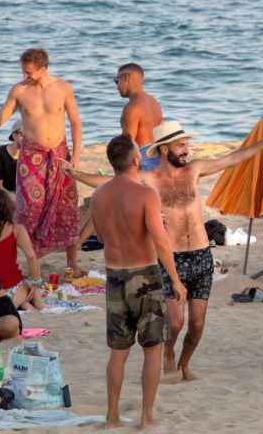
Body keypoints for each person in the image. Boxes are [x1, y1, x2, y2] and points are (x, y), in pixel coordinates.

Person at [66, 119, 263, 381]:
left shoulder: (194, 170)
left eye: (187, 144)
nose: (186, 149)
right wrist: (74, 173)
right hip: (172, 258)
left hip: (202, 254)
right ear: (165, 149)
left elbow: (233, 158)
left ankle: (184, 363)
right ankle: (168, 350)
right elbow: (106, 181)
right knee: (176, 322)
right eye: (181, 145)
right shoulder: (149, 179)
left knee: (198, 324)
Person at [0, 48, 84, 276]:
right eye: (23, 71)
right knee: (28, 210)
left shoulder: (63, 88)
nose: (25, 76)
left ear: (44, 68)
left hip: (60, 153)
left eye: (30, 72)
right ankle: (31, 263)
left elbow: (75, 122)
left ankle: (72, 264)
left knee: (67, 207)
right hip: (31, 157)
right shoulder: (20, 90)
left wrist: (77, 156)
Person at [91, 135, 185, 428]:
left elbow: (103, 237)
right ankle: (146, 416)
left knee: (118, 352)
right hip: (144, 275)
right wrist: (176, 280)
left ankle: (112, 416)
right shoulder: (146, 194)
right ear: (134, 160)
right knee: (152, 349)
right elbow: (160, 242)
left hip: (114, 276)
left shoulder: (98, 196)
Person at [0, 190, 45, 311]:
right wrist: (36, 282)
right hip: (11, 286)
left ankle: (23, 305)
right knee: (31, 289)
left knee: (27, 290)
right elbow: (31, 256)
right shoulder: (17, 229)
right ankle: (31, 306)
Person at [115, 63, 163, 171]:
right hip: (157, 158)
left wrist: (121, 173)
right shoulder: (154, 102)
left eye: (117, 81)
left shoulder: (132, 107)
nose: (117, 87)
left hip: (142, 160)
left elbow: (128, 145)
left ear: (126, 78)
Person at [0, 121, 23, 194]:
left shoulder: (32, 156)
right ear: (14, 135)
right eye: (23, 134)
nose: (27, 138)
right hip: (0, 197)